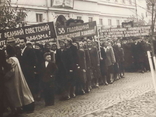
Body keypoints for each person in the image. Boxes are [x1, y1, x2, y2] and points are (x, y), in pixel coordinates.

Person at [4, 45, 34, 116]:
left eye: (5, 50)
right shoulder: (15, 58)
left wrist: (5, 77)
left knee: (15, 94)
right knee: (22, 92)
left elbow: (12, 70)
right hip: (18, 76)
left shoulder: (11, 59)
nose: (5, 52)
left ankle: (17, 109)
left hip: (13, 79)